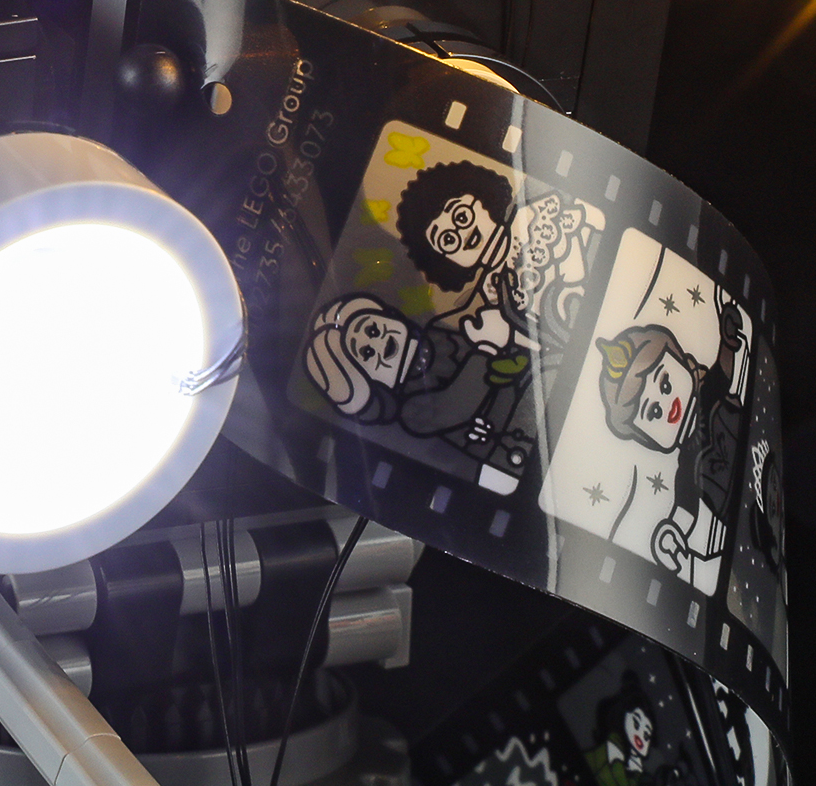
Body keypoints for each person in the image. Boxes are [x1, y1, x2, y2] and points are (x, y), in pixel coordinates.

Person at [594, 292, 746, 585]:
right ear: (646, 438)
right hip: (739, 511)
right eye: (653, 412)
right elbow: (685, 508)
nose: (667, 405)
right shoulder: (686, 464)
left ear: (679, 358)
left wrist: (728, 342)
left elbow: (724, 373)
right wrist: (672, 536)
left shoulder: (708, 395)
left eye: (665, 383)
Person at [303, 294, 536, 476]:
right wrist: (486, 347)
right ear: (368, 383)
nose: (378, 342)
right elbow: (453, 408)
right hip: (509, 446)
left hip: (528, 392)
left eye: (372, 329)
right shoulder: (411, 411)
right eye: (366, 353)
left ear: (390, 316)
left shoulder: (436, 334)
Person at [396, 161, 602, 350]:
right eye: (448, 240)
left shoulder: (535, 216)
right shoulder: (492, 295)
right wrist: (507, 336)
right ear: (446, 262)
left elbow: (595, 239)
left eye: (461, 216)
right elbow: (544, 346)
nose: (462, 233)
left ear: (478, 197)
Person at [584, 671, 655, 786]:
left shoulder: (638, 774)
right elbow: (615, 770)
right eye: (636, 723)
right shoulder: (613, 746)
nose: (640, 736)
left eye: (646, 735)